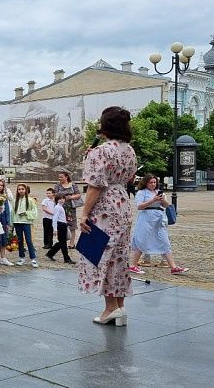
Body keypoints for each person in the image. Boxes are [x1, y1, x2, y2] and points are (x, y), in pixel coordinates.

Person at [79, 106, 137, 326]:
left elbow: (95, 185)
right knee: (119, 256)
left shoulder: (101, 151)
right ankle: (120, 308)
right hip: (122, 203)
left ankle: (109, 308)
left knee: (101, 255)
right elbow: (130, 177)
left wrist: (84, 214)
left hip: (104, 206)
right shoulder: (129, 150)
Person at [128, 174, 188, 275]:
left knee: (164, 241)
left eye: (154, 182)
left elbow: (166, 205)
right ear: (146, 183)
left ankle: (173, 267)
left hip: (159, 218)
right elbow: (140, 206)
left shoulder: (159, 192)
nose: (153, 184)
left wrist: (163, 200)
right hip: (146, 218)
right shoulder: (142, 193)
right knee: (142, 240)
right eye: (150, 182)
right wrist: (153, 200)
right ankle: (134, 265)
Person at [13, 183, 39, 267]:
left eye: (22, 189)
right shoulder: (15, 201)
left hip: (26, 222)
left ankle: (33, 258)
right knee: (19, 240)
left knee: (28, 240)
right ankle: (21, 257)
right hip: (17, 222)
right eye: (19, 189)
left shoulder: (31, 200)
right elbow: (12, 212)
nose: (20, 191)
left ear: (26, 190)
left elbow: (35, 212)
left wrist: (25, 213)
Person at [54, 171, 81, 249]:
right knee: (61, 225)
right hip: (60, 208)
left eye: (61, 177)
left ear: (66, 177)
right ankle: (62, 242)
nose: (60, 178)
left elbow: (78, 195)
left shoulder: (73, 185)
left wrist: (70, 197)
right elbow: (55, 195)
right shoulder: (57, 185)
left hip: (70, 208)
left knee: (72, 225)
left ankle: (72, 243)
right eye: (59, 177)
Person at [46, 194, 74, 264]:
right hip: (61, 226)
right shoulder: (58, 207)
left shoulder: (60, 207)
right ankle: (66, 258)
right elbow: (55, 219)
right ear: (57, 200)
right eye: (60, 199)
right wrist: (55, 229)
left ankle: (50, 253)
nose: (62, 200)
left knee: (62, 242)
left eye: (63, 198)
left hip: (63, 225)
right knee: (63, 243)